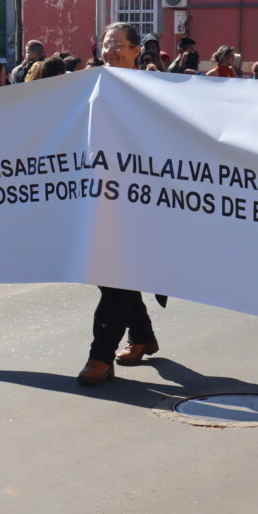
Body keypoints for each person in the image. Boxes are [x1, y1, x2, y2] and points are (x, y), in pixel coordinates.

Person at [77, 22, 165, 386]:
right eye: (106, 44)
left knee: (117, 275)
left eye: (118, 45)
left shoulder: (153, 91)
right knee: (111, 275)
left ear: (135, 51)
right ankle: (141, 335)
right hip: (98, 195)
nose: (110, 50)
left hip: (138, 200)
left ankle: (100, 356)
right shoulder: (89, 85)